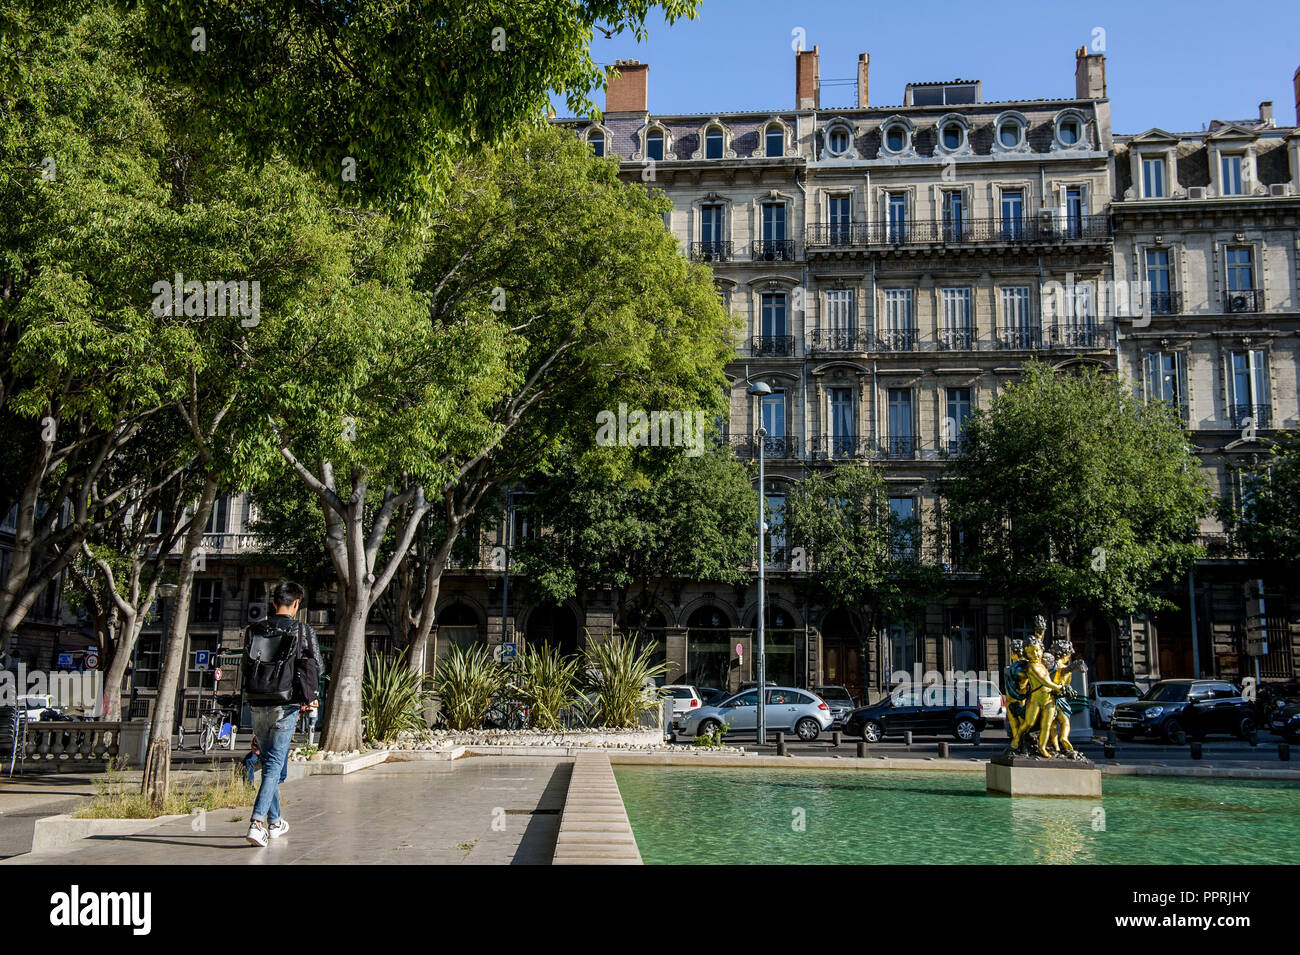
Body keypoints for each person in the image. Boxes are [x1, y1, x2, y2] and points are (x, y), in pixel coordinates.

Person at [244, 580, 322, 848]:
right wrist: (310, 698)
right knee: (274, 766)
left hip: (256, 703)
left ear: (273, 603)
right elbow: (315, 666)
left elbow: (246, 666)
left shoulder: (254, 629)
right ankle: (256, 823)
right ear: (297, 604)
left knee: (269, 764)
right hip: (285, 705)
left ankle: (275, 822)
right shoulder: (303, 630)